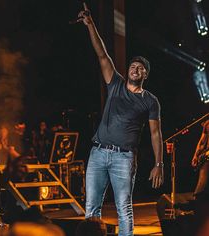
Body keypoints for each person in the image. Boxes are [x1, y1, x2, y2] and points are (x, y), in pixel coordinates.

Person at [77, 3, 164, 236]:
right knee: (91, 209)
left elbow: (156, 134)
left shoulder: (150, 101)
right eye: (133, 66)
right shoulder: (115, 84)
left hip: (123, 158)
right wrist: (90, 24)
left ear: (145, 75)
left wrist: (159, 163)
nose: (135, 69)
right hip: (97, 153)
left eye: (140, 68)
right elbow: (102, 54)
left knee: (124, 208)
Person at [191, 119, 209, 197]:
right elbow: (202, 142)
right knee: (202, 181)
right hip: (207, 157)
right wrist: (196, 155)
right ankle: (197, 201)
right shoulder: (207, 124)